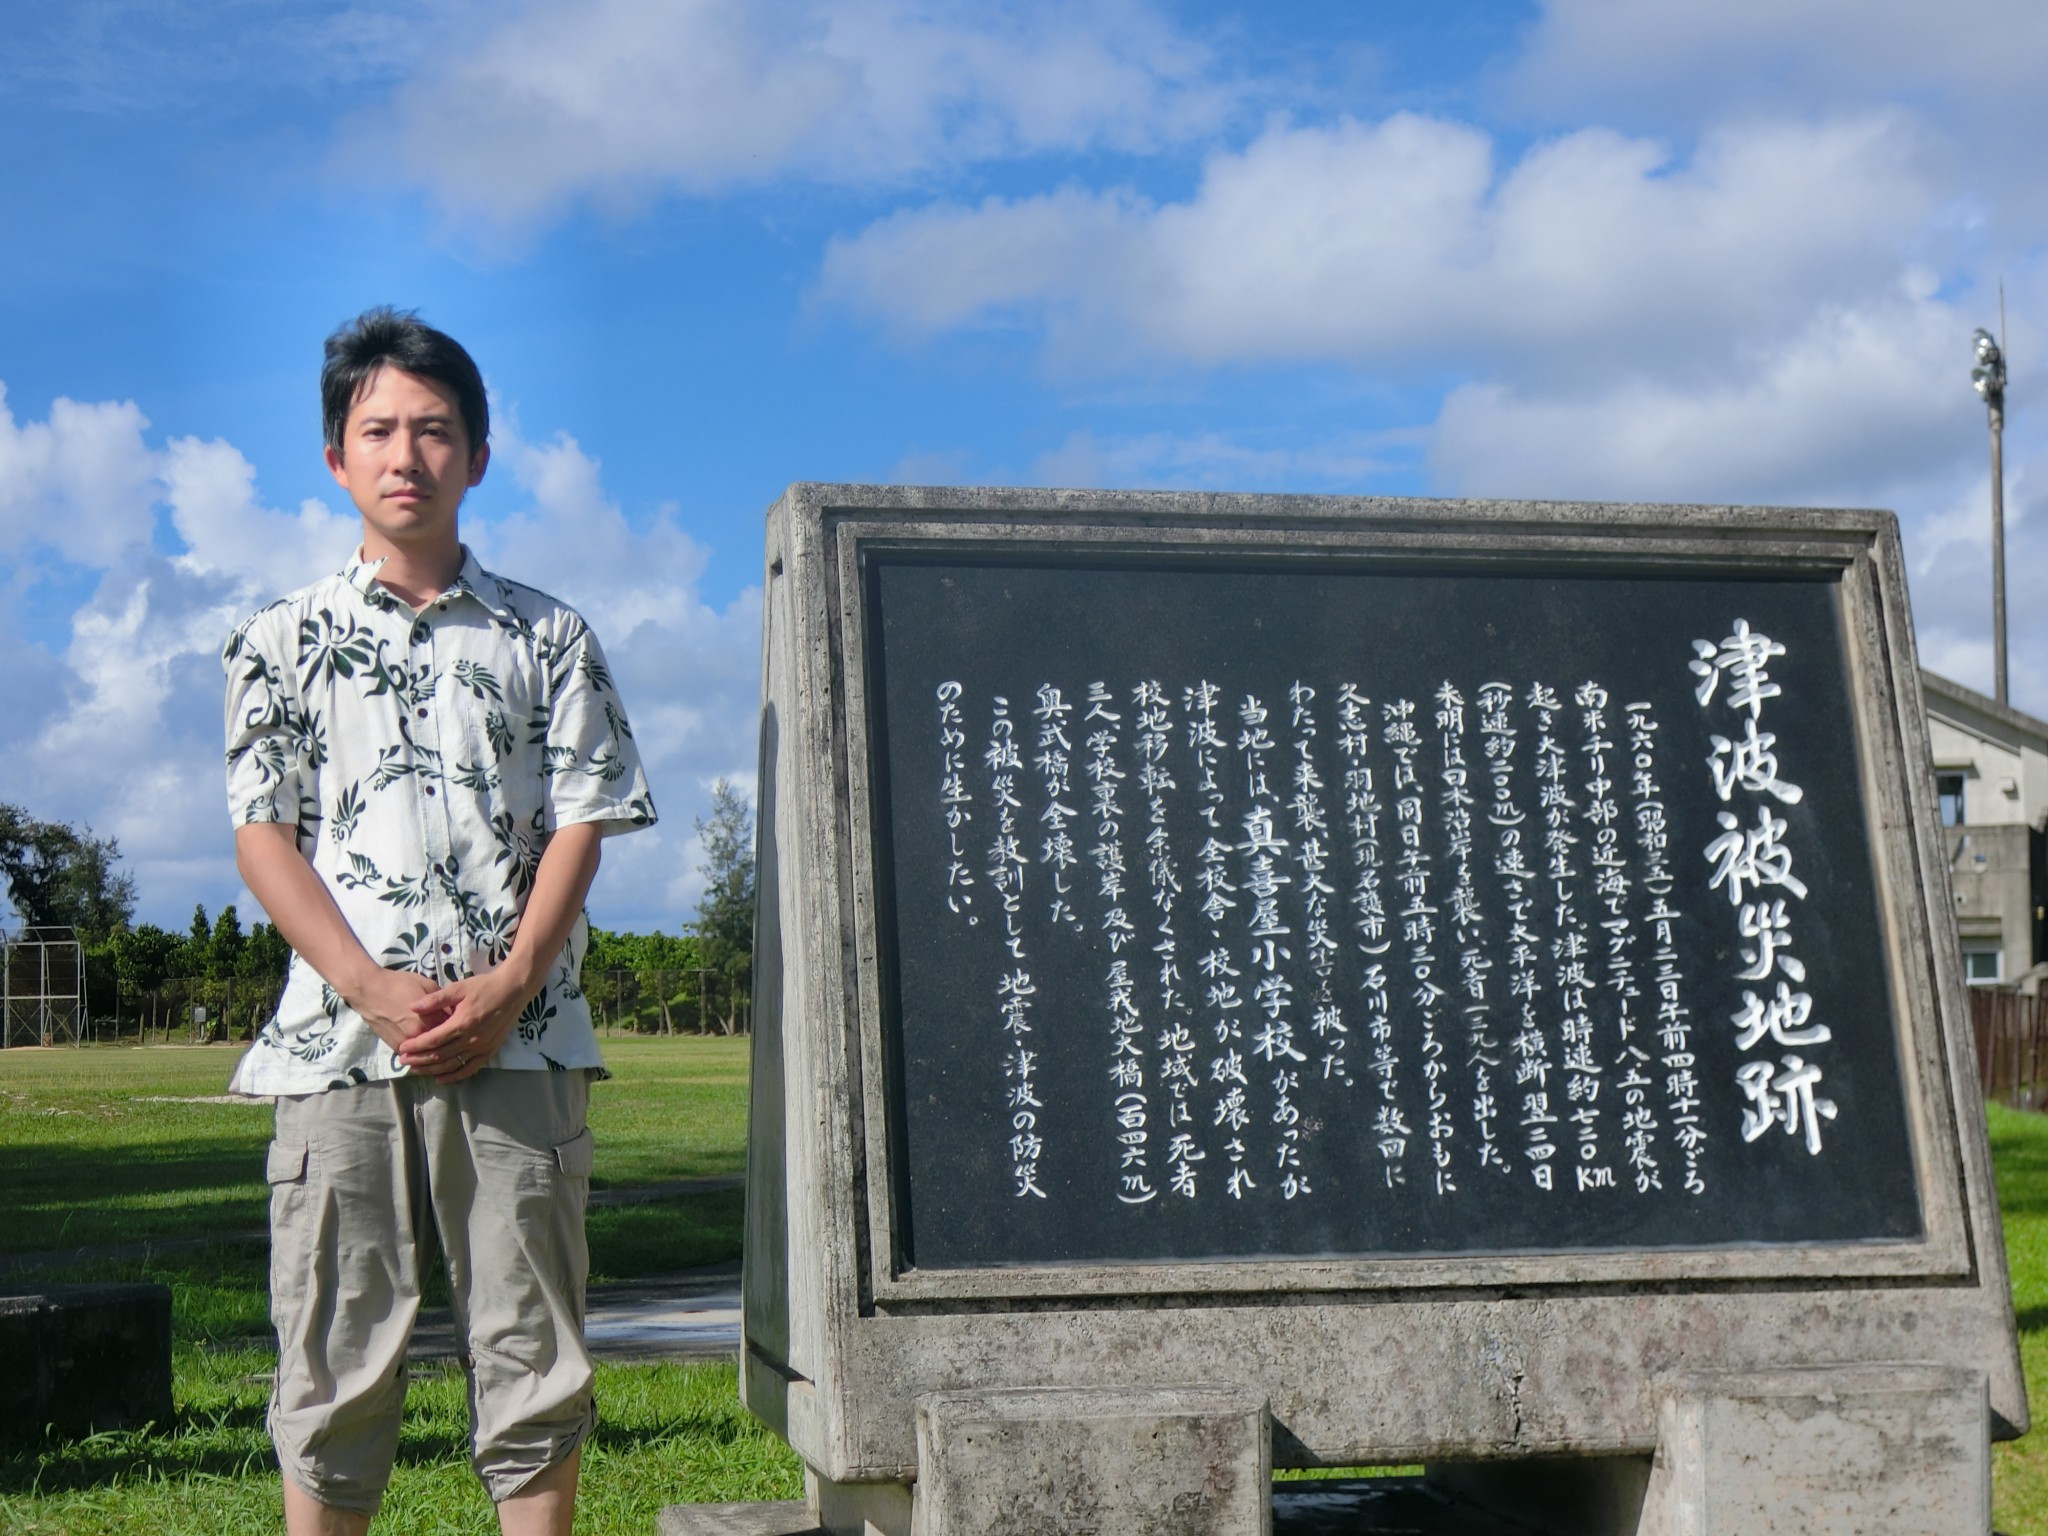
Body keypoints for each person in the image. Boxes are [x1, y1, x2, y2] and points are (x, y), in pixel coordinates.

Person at [222, 307, 657, 1535]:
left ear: (477, 453)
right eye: (378, 431)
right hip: (336, 1048)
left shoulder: (550, 635)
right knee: (332, 1356)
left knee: (532, 1358)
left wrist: (513, 980)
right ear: (335, 459)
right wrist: (369, 986)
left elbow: (587, 813)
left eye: (433, 429)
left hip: (522, 1041)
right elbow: (266, 834)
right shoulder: (276, 642)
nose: (405, 453)